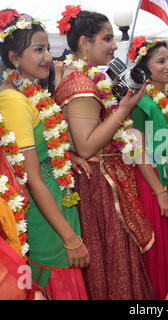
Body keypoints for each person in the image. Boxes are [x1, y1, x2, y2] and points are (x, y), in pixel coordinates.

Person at [53, 6, 154, 299]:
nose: (113, 46)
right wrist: (124, 109)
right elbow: (86, 145)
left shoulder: (69, 74)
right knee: (112, 259)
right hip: (99, 186)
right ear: (85, 43)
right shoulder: (81, 83)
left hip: (91, 181)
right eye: (107, 39)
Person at [0, 9, 89, 299]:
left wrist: (68, 157)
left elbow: (40, 149)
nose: (48, 58)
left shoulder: (27, 93)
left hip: (57, 199)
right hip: (44, 214)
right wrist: (70, 238)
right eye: (38, 50)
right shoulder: (12, 100)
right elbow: (32, 178)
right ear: (14, 57)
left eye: (48, 49)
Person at [128, 37, 168, 299]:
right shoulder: (140, 101)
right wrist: (160, 192)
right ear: (144, 68)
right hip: (154, 184)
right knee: (161, 247)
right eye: (160, 61)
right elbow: (137, 151)